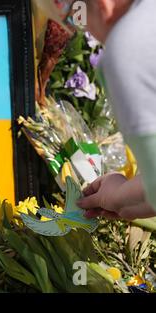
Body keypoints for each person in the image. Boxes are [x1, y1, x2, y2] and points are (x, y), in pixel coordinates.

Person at [72, 0, 156, 220]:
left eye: (76, 16)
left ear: (102, 5)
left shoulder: (129, 47)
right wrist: (121, 199)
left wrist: (120, 194)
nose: (83, 29)